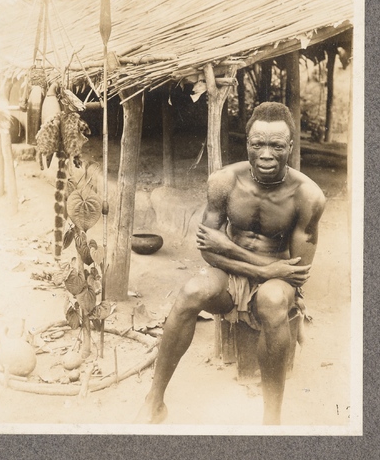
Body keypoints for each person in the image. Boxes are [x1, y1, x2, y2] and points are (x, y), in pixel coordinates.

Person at [137, 102, 326, 425]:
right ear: (247, 144)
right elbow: (208, 250)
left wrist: (245, 258)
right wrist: (260, 267)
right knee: (190, 291)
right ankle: (155, 400)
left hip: (277, 282)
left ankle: (272, 420)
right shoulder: (224, 182)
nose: (266, 154)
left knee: (272, 300)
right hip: (235, 271)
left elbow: (295, 273)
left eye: (276, 146)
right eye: (258, 144)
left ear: (290, 148)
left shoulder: (308, 196)